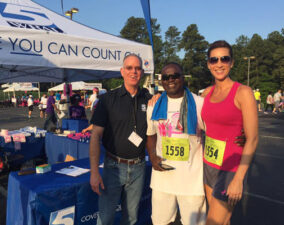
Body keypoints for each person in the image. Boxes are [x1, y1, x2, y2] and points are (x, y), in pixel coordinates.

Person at [89, 54, 151, 225]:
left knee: (131, 219)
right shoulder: (108, 99)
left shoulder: (148, 98)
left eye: (137, 68)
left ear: (142, 72)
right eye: (129, 68)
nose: (134, 72)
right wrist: (94, 172)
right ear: (122, 71)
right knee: (106, 218)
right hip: (113, 168)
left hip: (138, 167)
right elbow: (95, 136)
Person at [201, 40, 258, 225]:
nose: (219, 64)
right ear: (209, 64)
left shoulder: (243, 92)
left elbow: (253, 138)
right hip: (208, 163)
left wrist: (239, 178)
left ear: (231, 62)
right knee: (223, 221)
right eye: (214, 60)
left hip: (230, 169)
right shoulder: (206, 94)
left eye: (224, 59)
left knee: (213, 222)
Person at [146, 62, 206, 225]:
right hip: (163, 179)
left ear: (183, 77)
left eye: (175, 76)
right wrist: (152, 156)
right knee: (160, 222)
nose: (170, 80)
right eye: (166, 77)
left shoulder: (199, 103)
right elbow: (150, 134)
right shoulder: (154, 106)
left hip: (192, 180)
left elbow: (215, 133)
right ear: (161, 81)